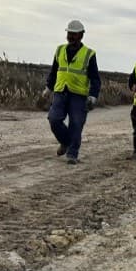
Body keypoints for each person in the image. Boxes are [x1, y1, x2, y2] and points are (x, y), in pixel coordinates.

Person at [42, 19, 101, 165]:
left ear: (81, 35)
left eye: (74, 34)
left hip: (79, 95)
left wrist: (93, 96)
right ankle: (66, 142)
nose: (71, 37)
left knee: (76, 123)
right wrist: (48, 88)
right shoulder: (60, 50)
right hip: (60, 91)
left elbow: (95, 78)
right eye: (69, 34)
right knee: (54, 119)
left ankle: (72, 154)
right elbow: (54, 71)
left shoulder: (89, 54)